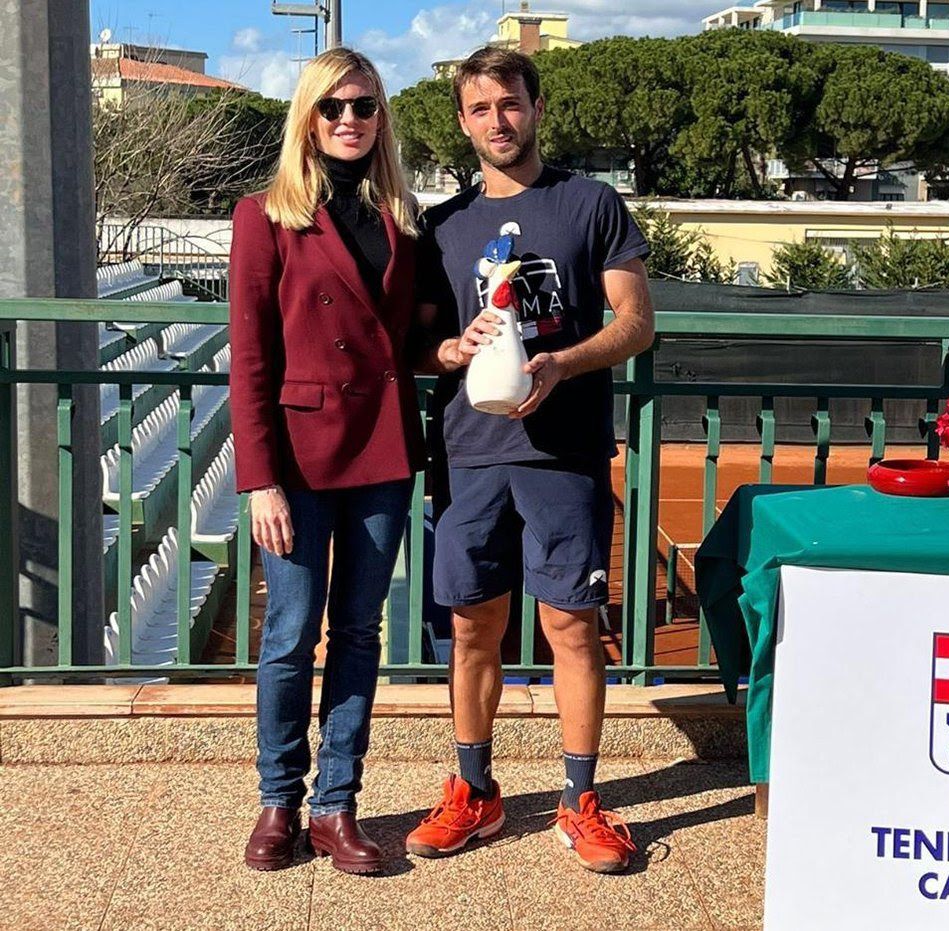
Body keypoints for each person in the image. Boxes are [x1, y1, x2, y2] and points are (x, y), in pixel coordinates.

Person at [406, 47, 655, 874]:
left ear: (536, 108)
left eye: (509, 104)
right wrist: (450, 348)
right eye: (479, 109)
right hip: (471, 454)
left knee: (570, 629)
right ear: (463, 122)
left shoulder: (590, 205)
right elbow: (422, 343)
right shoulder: (442, 226)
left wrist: (558, 364)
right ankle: (474, 790)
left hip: (564, 454)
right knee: (474, 627)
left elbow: (635, 323)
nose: (497, 121)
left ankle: (580, 800)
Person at [229, 47, 425, 875]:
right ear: (307, 116)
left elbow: (413, 336)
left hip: (381, 447)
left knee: (357, 634)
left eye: (367, 106)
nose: (351, 119)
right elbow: (251, 359)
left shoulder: (402, 215)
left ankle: (335, 805)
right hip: (300, 460)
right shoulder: (263, 215)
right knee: (288, 634)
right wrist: (258, 478)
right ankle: (278, 798)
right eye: (335, 106)